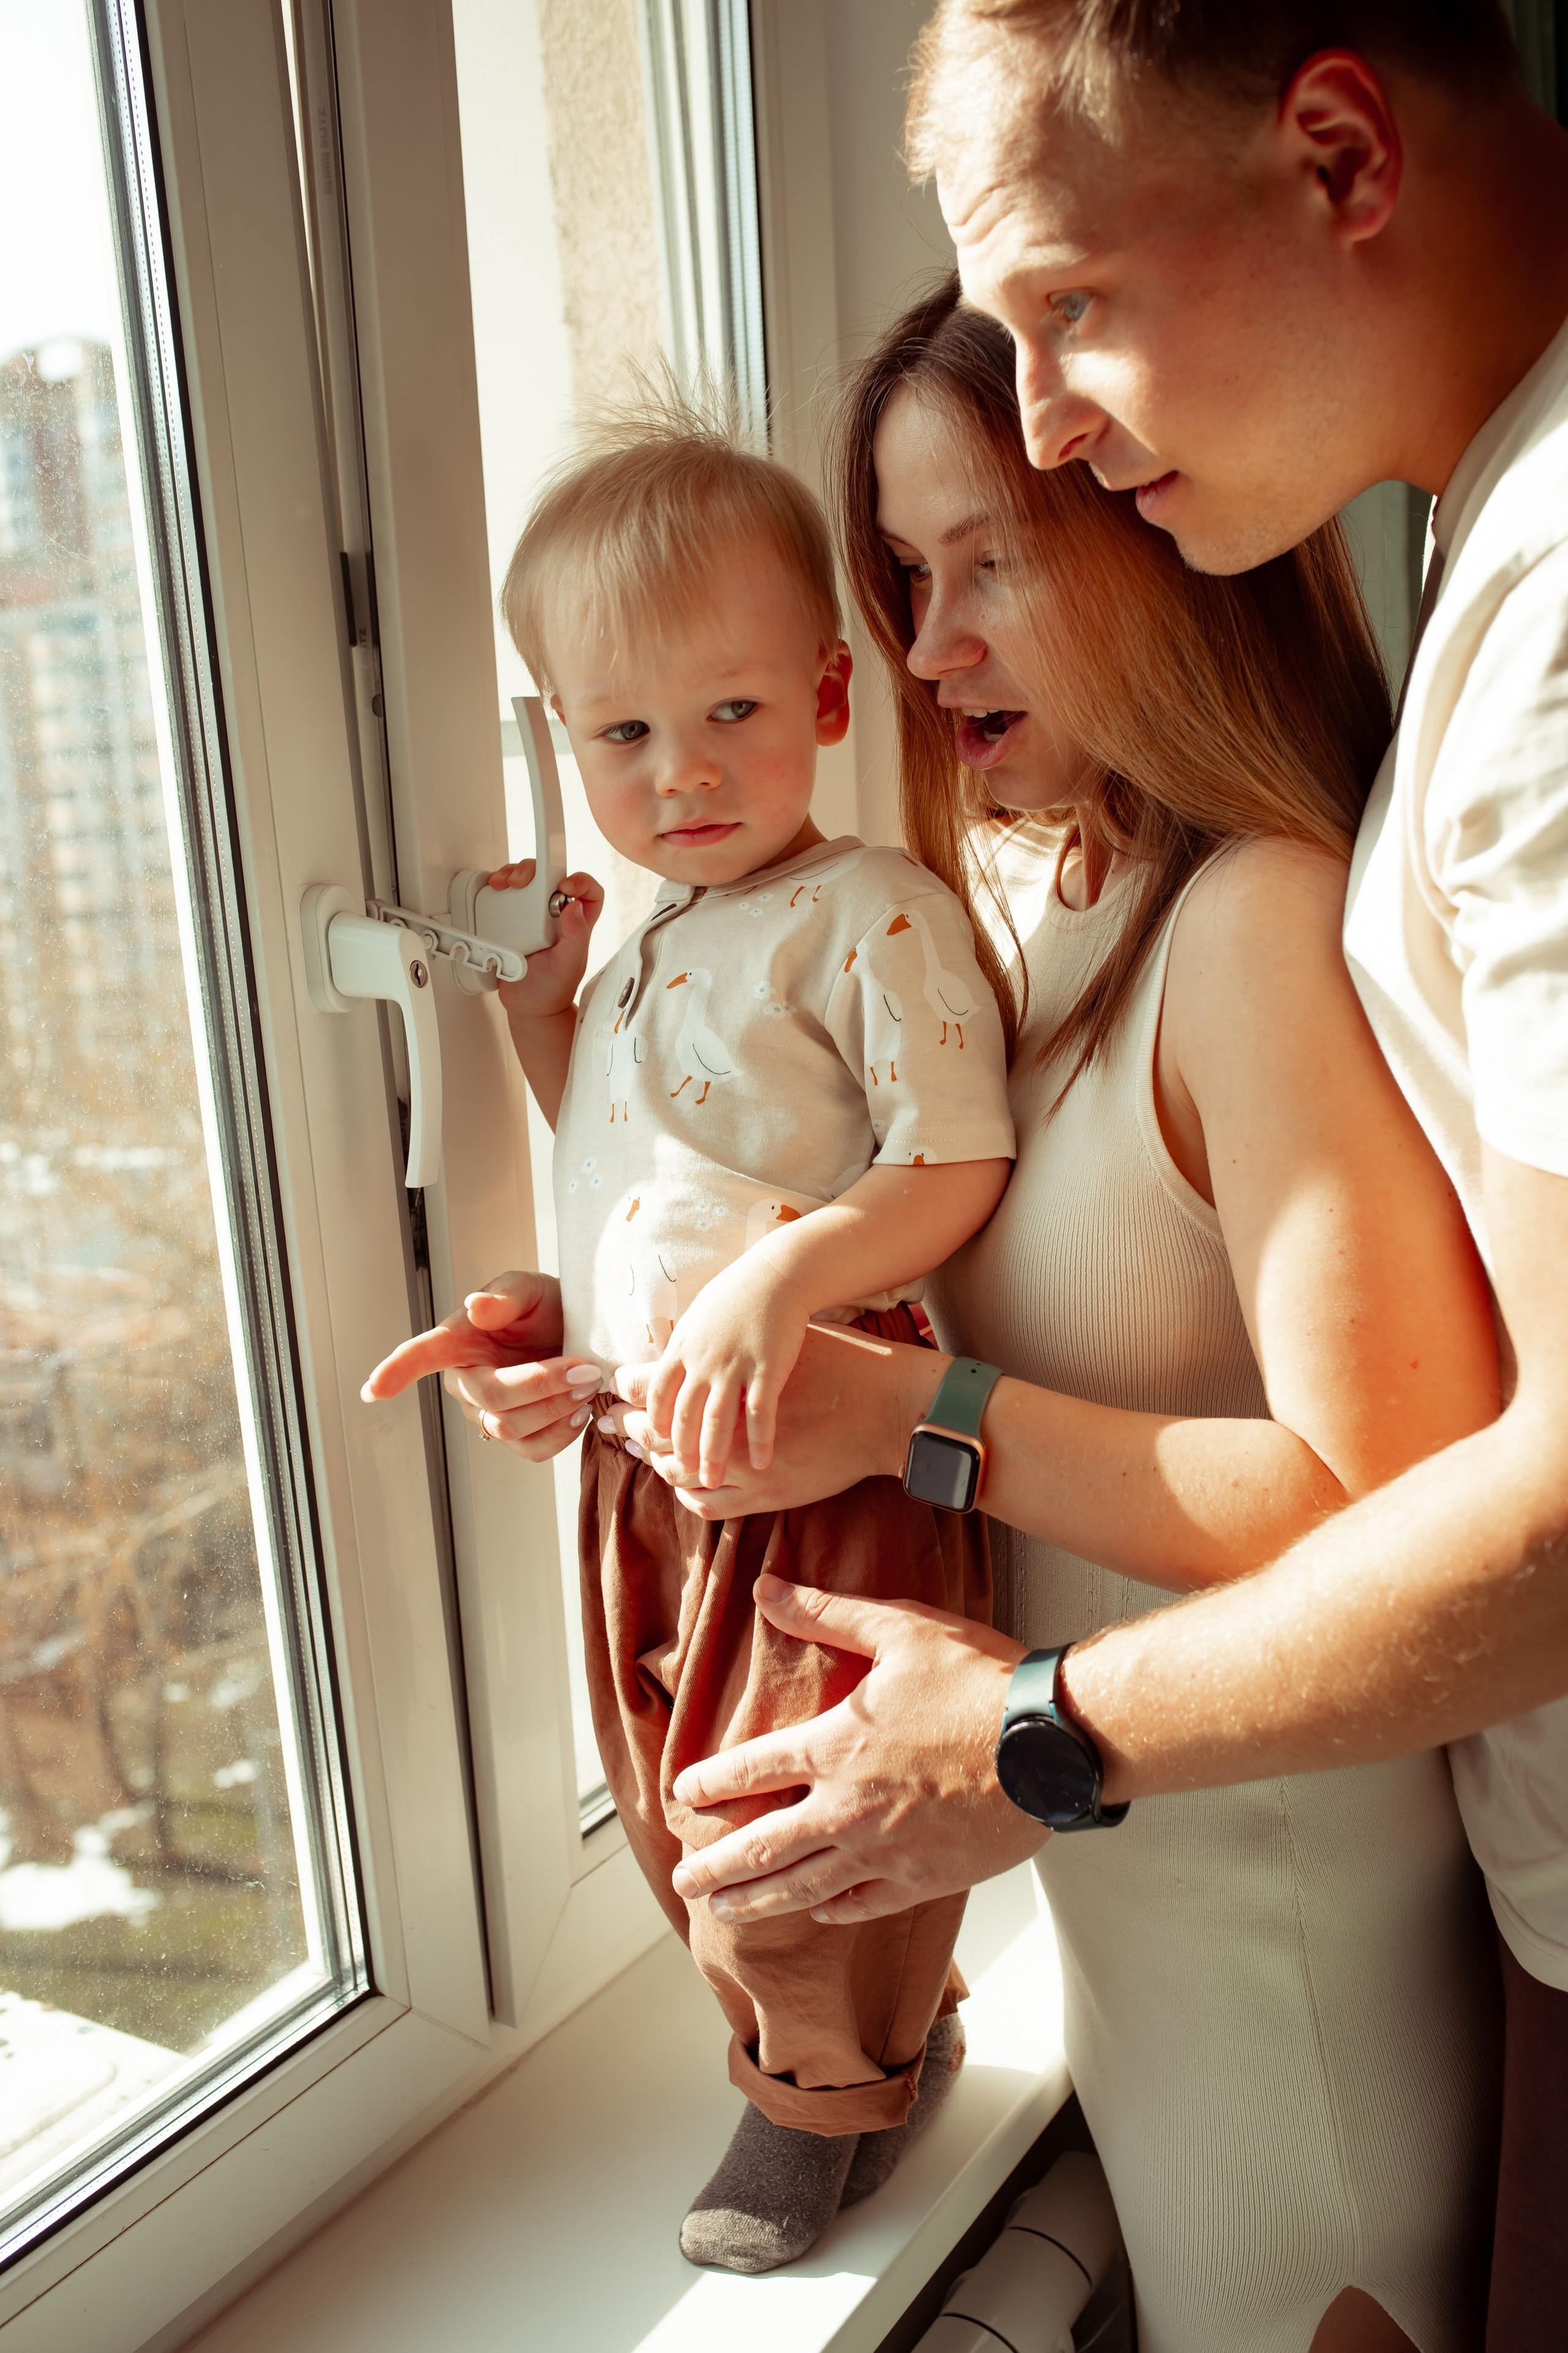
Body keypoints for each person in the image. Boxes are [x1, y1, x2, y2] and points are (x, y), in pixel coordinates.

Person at [601, 8, 1568, 2346]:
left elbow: (1430, 1487)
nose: (924, 646)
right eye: (897, 579)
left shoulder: (1266, 909)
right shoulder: (1028, 926)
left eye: (992, 557)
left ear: (1341, 152)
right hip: (1176, 1903)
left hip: (1288, 1918)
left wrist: (924, 1447)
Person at [366, 402, 1019, 2274]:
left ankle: (814, 2096)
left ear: (827, 694)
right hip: (650, 1454)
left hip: (819, 1439)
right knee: (664, 1785)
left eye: (730, 712)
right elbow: (631, 1159)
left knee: (776, 1798)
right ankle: (858, 2051)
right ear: (570, 745)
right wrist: (541, 1025)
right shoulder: (655, 939)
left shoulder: (868, 914)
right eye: (623, 733)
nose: (681, 771)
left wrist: (782, 1280)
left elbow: (950, 1163)